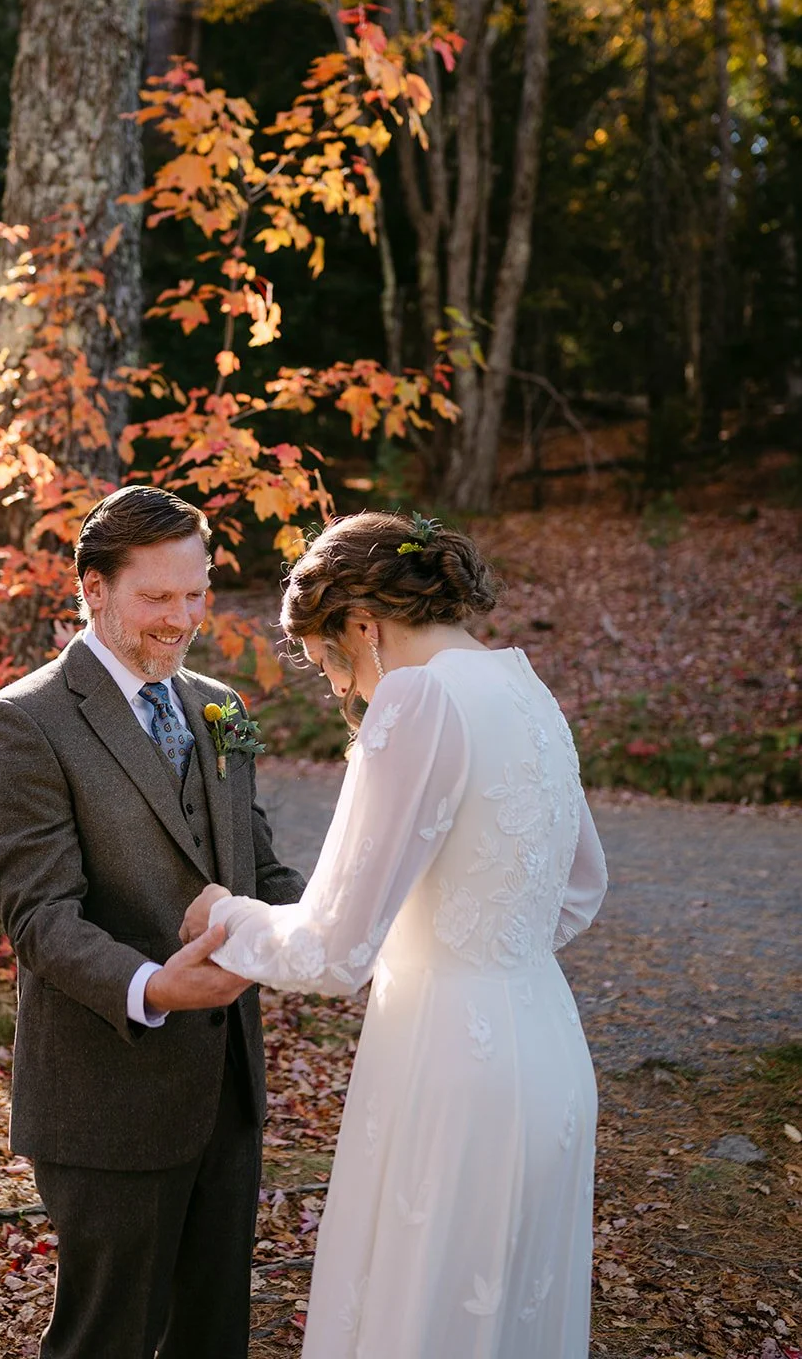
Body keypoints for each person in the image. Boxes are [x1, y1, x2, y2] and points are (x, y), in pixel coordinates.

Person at [183, 511, 608, 1358]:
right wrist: (475, 933)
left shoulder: (417, 697)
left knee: (424, 1317)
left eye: (333, 663)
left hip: (447, 1060)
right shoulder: (523, 687)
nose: (347, 693)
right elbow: (578, 890)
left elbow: (334, 950)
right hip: (548, 1045)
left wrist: (225, 916)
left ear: (362, 627)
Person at [0, 484, 304, 1359]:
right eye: (156, 597)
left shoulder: (219, 706)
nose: (181, 618)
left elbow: (259, 870)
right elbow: (39, 917)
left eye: (195, 594)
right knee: (107, 1340)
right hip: (105, 1095)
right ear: (93, 588)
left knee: (211, 1336)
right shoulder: (21, 722)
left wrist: (336, 926)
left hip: (229, 1090)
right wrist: (153, 984)